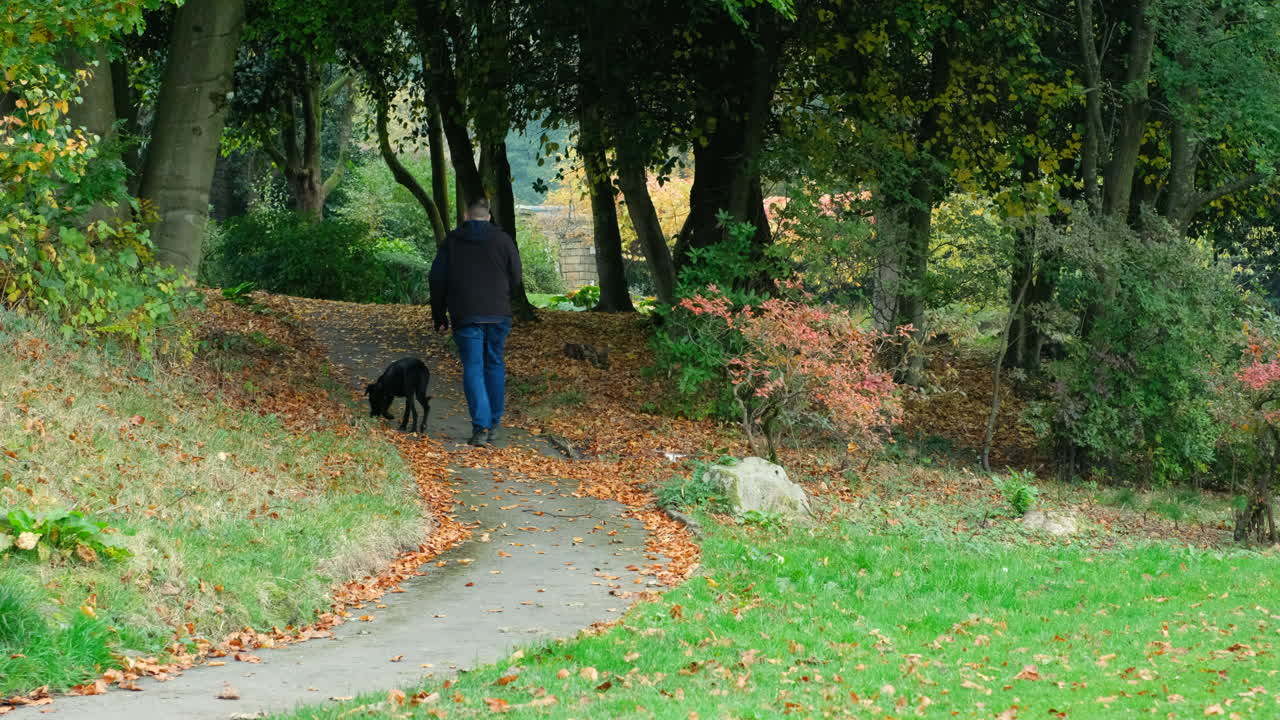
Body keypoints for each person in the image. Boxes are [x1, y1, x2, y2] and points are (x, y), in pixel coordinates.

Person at [430, 198, 523, 446]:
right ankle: (493, 424)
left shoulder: (452, 242)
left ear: (465, 216)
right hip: (498, 313)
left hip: (465, 313)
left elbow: (437, 279)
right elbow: (516, 277)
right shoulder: (503, 241)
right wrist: (503, 297)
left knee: (473, 366)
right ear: (489, 217)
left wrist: (439, 315)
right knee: (494, 363)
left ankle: (480, 426)